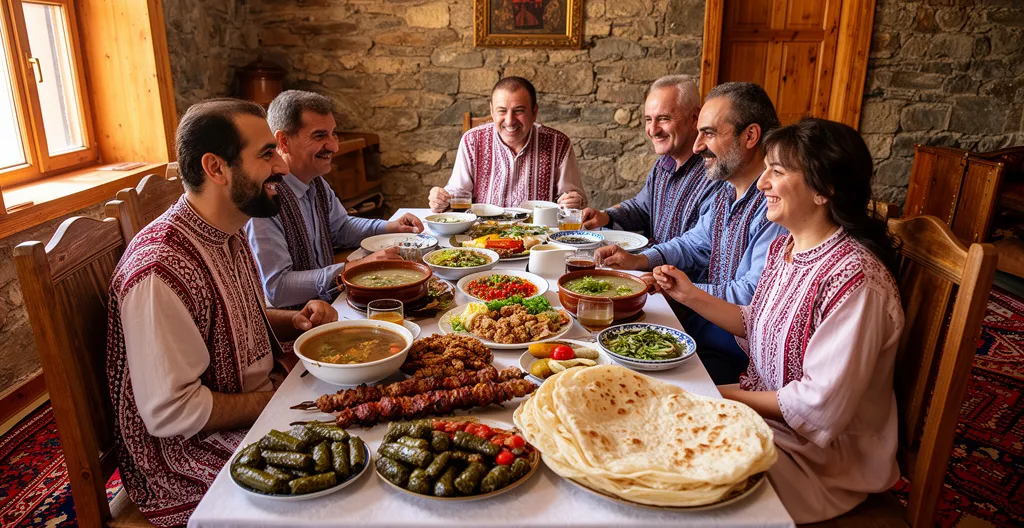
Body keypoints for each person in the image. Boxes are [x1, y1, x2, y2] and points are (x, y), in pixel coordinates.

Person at [653, 118, 904, 523]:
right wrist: (688, 294)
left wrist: (715, 396)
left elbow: (817, 406)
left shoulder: (855, 280)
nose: (762, 183)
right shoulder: (787, 248)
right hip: (770, 423)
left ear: (825, 190)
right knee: (653, 424)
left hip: (820, 461)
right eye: (766, 168)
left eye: (778, 171)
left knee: (667, 472)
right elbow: (759, 324)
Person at [106, 98, 339, 526]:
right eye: (267, 154)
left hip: (254, 401)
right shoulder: (159, 270)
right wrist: (272, 401)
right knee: (334, 490)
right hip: (184, 458)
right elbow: (173, 414)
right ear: (216, 168)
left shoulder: (226, 231)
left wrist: (295, 319)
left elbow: (234, 316)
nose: (283, 168)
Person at [595, 82, 787, 384]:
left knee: (623, 377)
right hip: (701, 327)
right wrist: (640, 261)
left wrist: (683, 291)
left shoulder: (775, 206)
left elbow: (752, 297)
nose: (698, 146)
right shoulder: (727, 190)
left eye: (708, 133)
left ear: (750, 136)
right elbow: (695, 244)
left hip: (737, 353)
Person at [246, 90, 423, 309]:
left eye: (333, 134)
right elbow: (277, 289)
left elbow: (340, 227)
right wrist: (353, 268)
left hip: (331, 304)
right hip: (295, 326)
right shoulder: (264, 199)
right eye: (320, 136)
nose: (334, 146)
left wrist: (390, 226)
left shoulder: (317, 183)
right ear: (283, 141)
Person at [581, 75, 725, 244]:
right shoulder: (663, 164)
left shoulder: (715, 172)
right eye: (649, 119)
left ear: (694, 118)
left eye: (664, 119)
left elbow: (697, 248)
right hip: (651, 266)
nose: (653, 130)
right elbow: (642, 208)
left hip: (675, 270)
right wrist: (605, 216)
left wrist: (644, 260)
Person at [428, 76, 586, 211]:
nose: (510, 121)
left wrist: (573, 201)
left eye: (519, 110)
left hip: (539, 238)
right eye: (502, 111)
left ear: (534, 112)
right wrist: (441, 199)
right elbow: (458, 193)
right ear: (491, 111)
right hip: (482, 237)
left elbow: (573, 199)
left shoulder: (558, 143)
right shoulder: (472, 140)